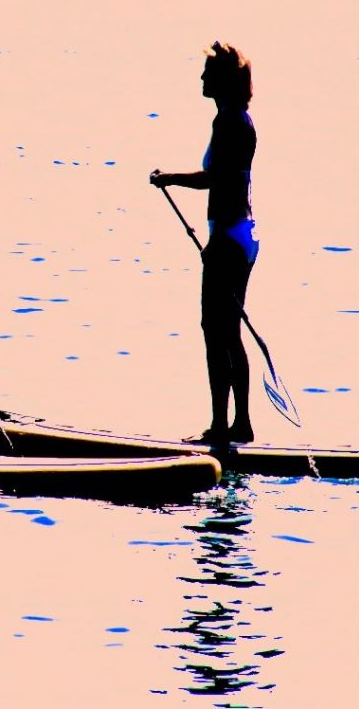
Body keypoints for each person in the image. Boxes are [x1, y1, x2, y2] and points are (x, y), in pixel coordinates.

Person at [150, 42, 258, 447]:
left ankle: (222, 427)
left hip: (229, 239)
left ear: (222, 81)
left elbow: (217, 179)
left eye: (206, 72)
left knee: (216, 331)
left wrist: (170, 178)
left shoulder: (230, 121)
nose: (200, 78)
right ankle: (239, 424)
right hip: (241, 235)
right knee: (227, 331)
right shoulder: (236, 118)